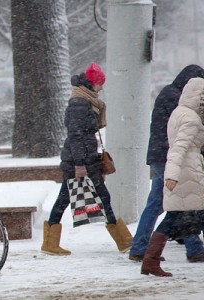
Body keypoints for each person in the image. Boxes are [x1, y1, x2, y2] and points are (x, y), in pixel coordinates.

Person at [41, 62, 133, 255]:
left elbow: (83, 133)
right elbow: (75, 135)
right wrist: (79, 164)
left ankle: (124, 241)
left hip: (86, 159)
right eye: (100, 84)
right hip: (80, 161)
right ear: (92, 84)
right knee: (81, 198)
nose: (101, 88)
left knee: (73, 198)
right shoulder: (79, 103)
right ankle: (124, 242)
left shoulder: (86, 101)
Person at [129, 65, 204, 262]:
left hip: (162, 156)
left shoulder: (169, 94)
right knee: (179, 202)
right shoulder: (179, 102)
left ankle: (141, 248)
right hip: (170, 158)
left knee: (166, 203)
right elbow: (181, 136)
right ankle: (192, 248)